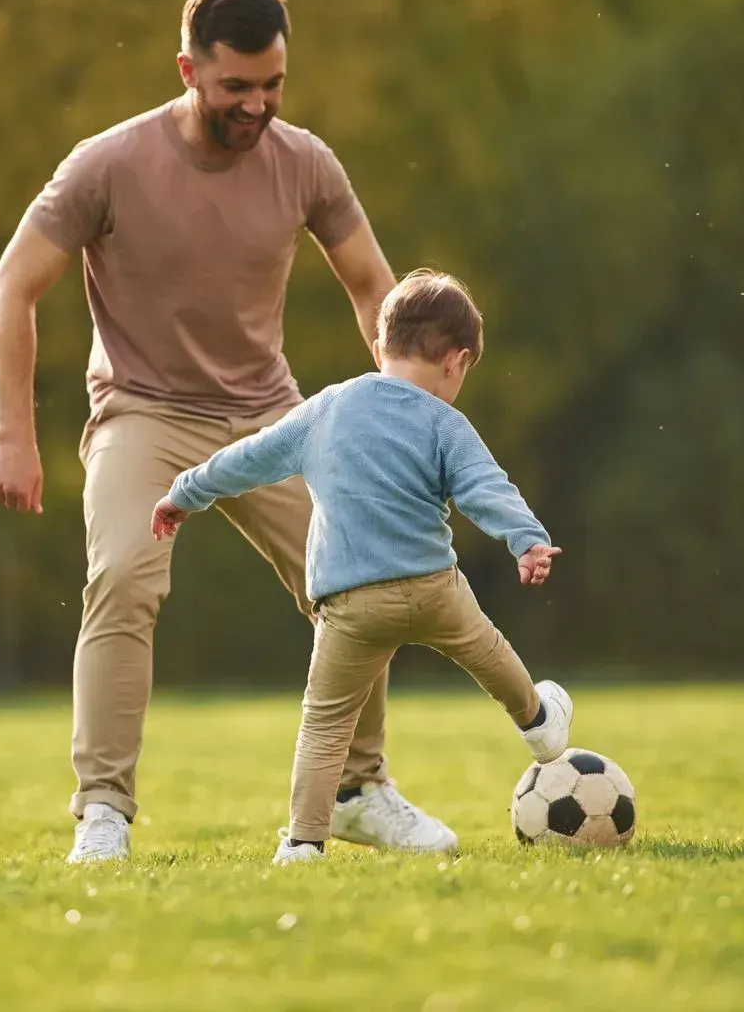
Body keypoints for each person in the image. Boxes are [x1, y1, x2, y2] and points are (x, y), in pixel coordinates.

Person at [0, 0, 459, 864]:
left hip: (268, 414)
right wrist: (14, 433)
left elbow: (373, 290)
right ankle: (103, 812)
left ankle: (358, 790)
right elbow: (14, 285)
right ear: (188, 70)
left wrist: (406, 414)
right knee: (124, 577)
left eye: (273, 83)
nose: (258, 105)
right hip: (142, 410)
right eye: (237, 86)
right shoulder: (109, 165)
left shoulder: (306, 162)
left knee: (365, 578)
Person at [150, 269, 574, 864]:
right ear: (456, 362)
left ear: (379, 349)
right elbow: (486, 487)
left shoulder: (328, 408)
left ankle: (302, 843)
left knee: (324, 726)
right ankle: (538, 724)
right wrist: (526, 541)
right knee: (489, 651)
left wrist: (185, 492)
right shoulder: (445, 422)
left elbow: (248, 459)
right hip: (433, 588)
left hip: (351, 604)